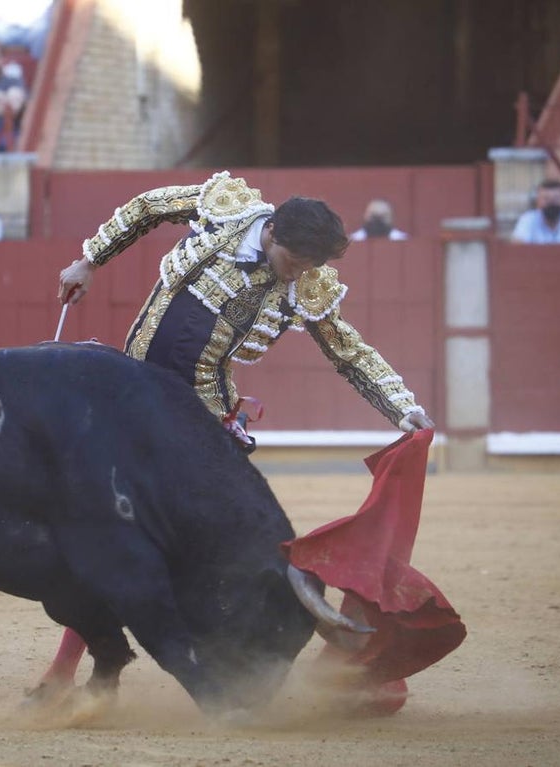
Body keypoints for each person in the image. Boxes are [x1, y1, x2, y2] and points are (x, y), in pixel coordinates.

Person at [48, 170, 434, 696]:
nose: (299, 275)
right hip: (132, 394)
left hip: (202, 416)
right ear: (272, 232)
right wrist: (89, 259)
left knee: (224, 537)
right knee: (113, 530)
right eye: (295, 262)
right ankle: (65, 669)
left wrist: (402, 408)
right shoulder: (225, 207)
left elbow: (348, 350)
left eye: (308, 268)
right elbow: (145, 208)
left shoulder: (308, 283)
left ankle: (256, 654)